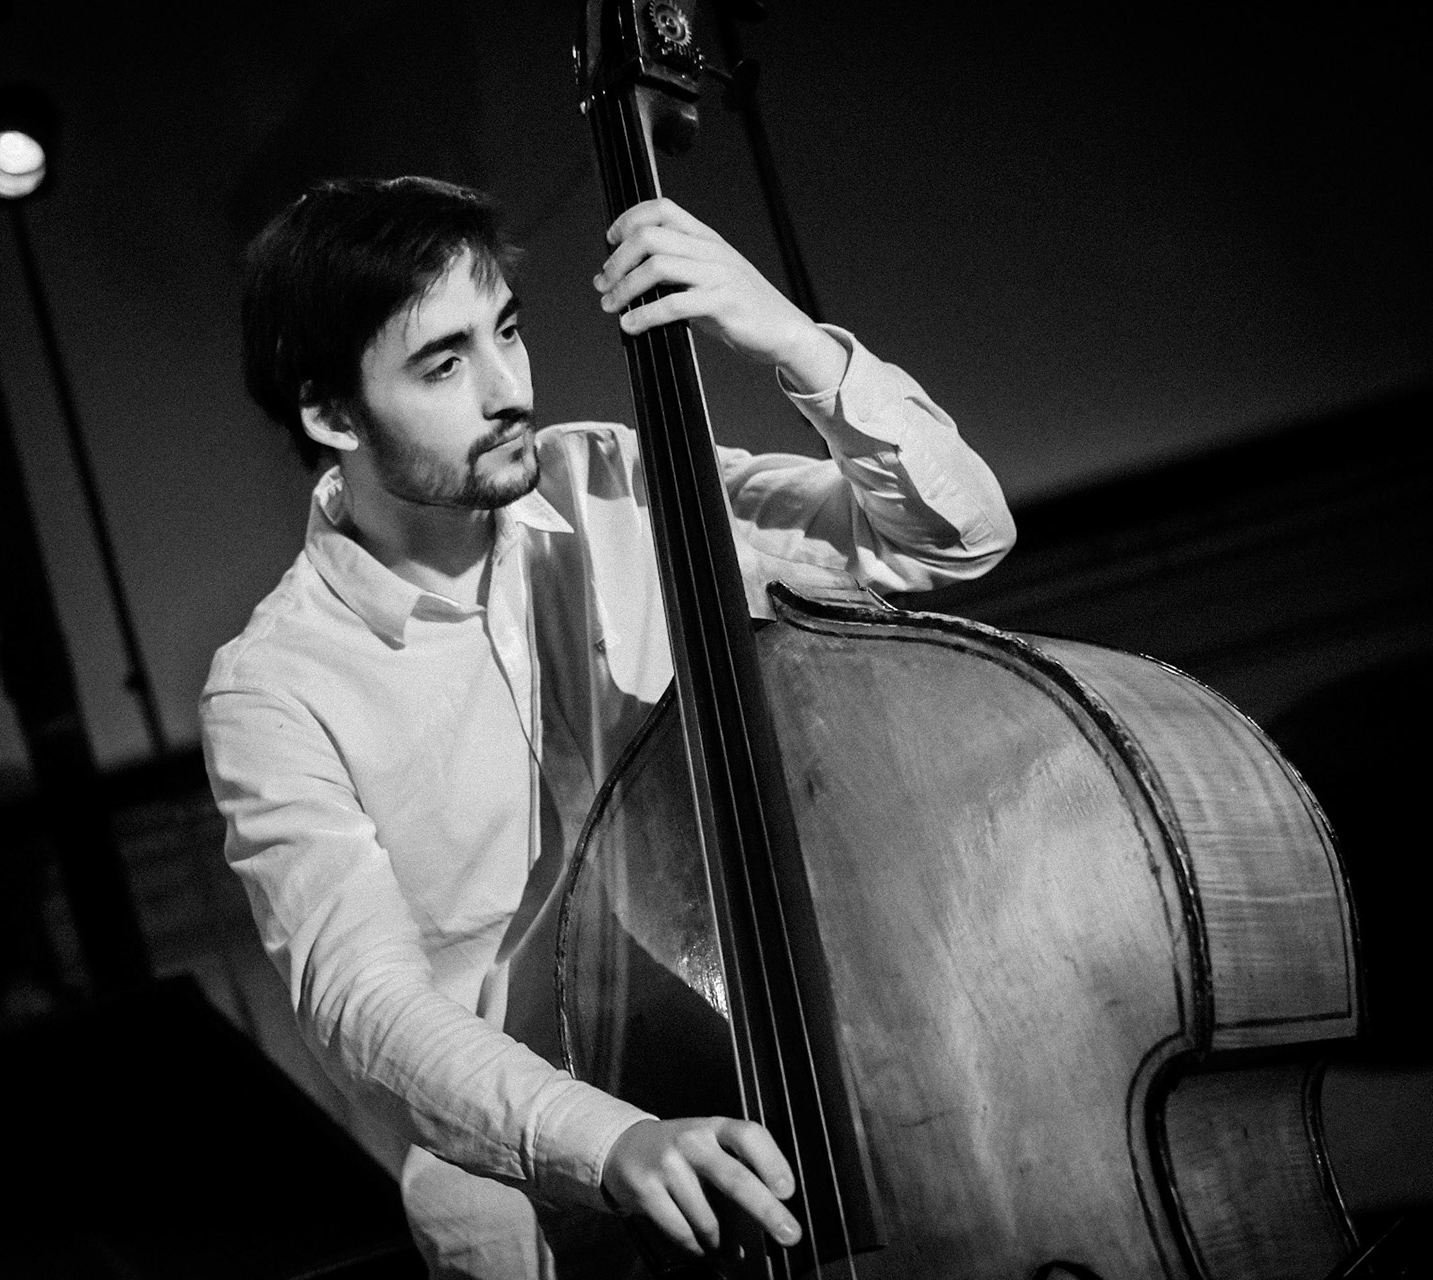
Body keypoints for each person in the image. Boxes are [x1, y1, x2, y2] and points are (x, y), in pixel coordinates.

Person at [201, 176, 1015, 1278]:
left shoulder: (619, 481)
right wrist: (612, 1139)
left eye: (508, 333)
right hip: (545, 1223)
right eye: (443, 365)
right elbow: (362, 1003)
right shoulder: (274, 687)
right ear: (331, 414)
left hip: (789, 1096)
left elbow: (949, 542)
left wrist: (786, 337)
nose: (506, 391)